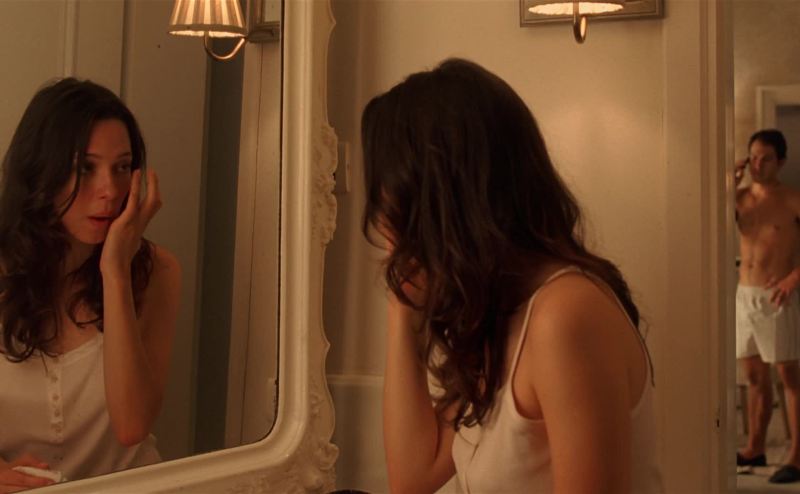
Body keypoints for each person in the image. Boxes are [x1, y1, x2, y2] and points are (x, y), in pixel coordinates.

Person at [361, 58, 663, 493]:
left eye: (392, 201)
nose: (385, 222)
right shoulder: (500, 314)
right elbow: (412, 478)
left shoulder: (564, 315)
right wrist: (402, 308)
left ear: (442, 199)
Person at [0, 78, 181, 492]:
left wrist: (115, 269)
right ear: (42, 170)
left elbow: (132, 426)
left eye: (122, 167)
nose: (110, 191)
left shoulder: (157, 271)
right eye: (85, 168)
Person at [735, 129, 800, 483]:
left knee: (789, 378)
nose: (759, 165)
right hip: (744, 296)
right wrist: (729, 181)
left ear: (781, 161)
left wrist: (792, 279)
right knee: (754, 378)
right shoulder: (739, 198)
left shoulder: (792, 200)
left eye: (767, 159)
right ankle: (754, 448)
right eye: (754, 158)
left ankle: (796, 456)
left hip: (778, 297)